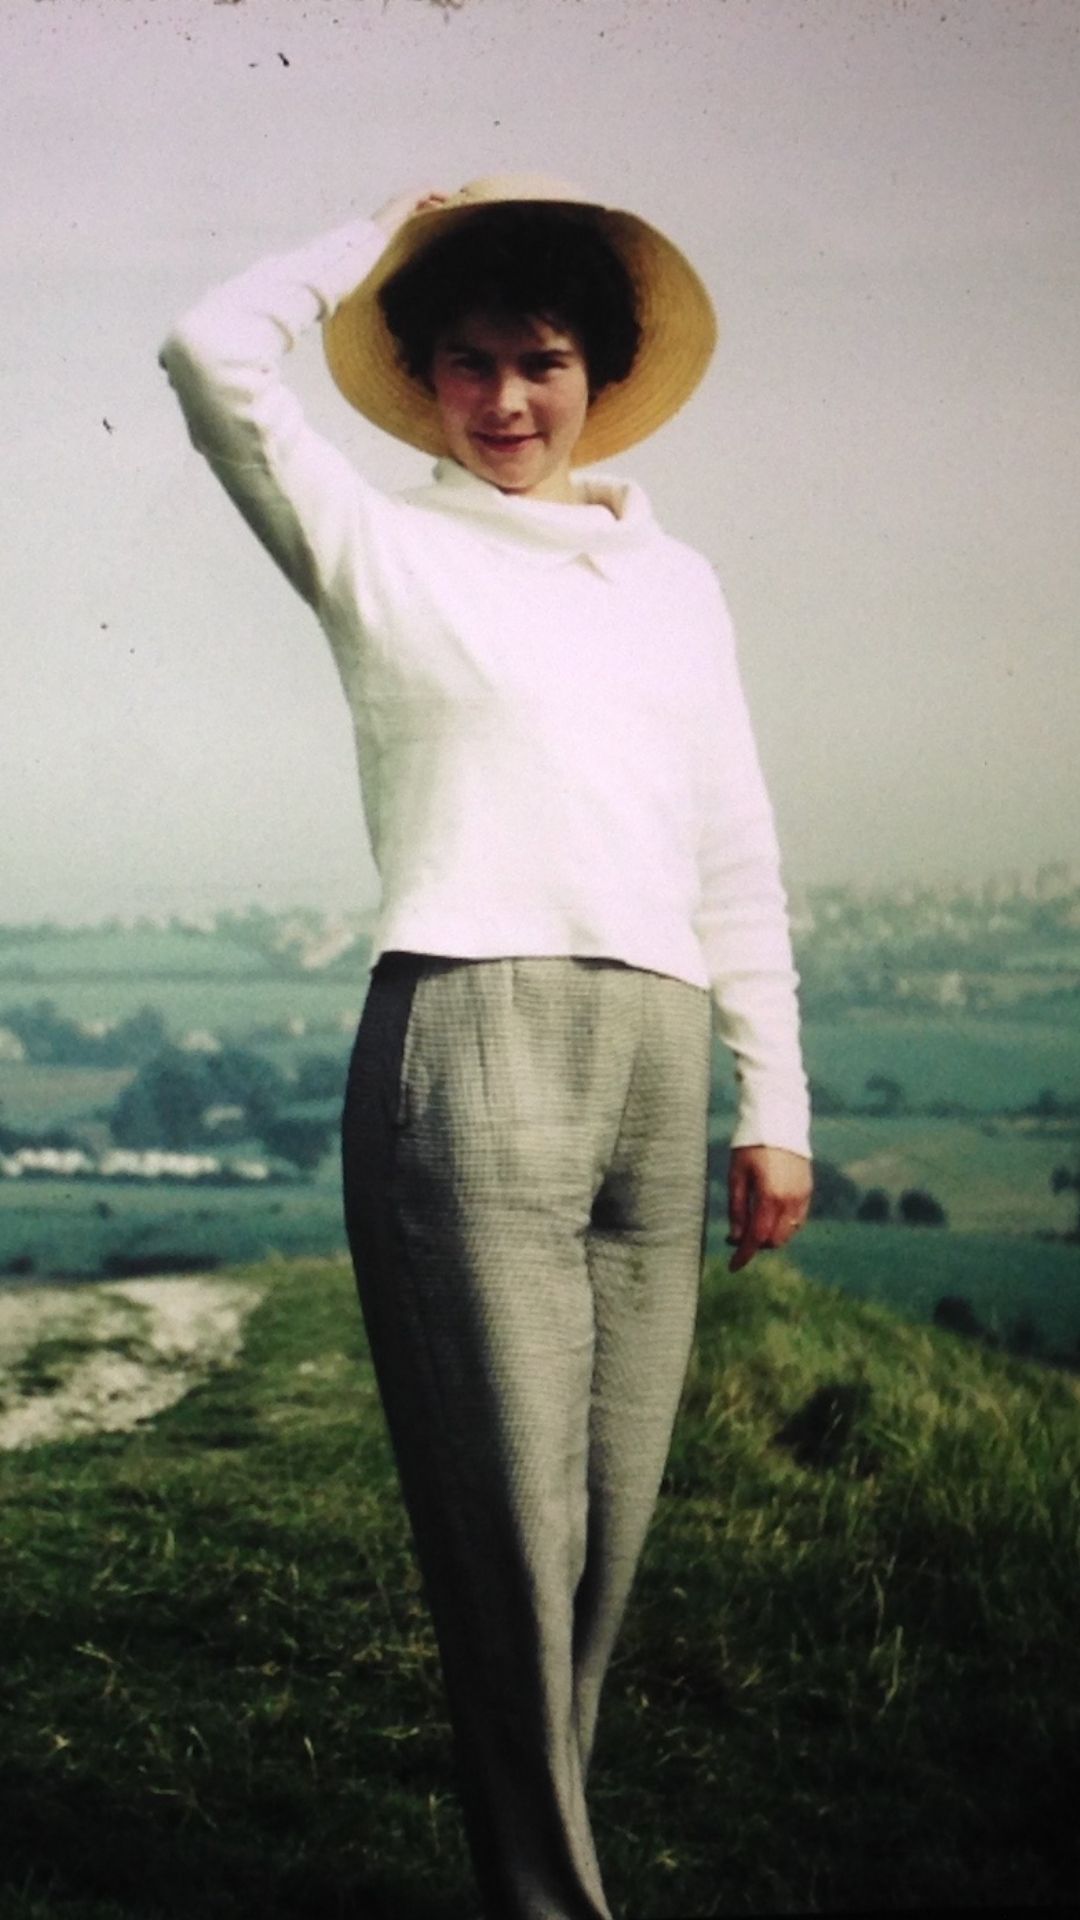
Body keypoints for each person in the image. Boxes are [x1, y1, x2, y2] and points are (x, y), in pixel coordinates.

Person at [159, 173, 814, 1920]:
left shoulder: (677, 583)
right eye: (466, 363)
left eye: (539, 361)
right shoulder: (379, 543)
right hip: (473, 1038)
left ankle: (532, 1871)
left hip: (659, 1060)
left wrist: (782, 1104)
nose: (506, 402)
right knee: (506, 1537)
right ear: (425, 376)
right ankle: (553, 1902)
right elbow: (207, 353)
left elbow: (733, 845)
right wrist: (370, 232)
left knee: (599, 1538)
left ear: (599, 371)